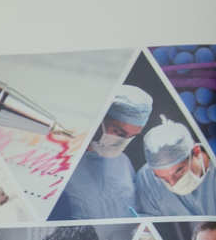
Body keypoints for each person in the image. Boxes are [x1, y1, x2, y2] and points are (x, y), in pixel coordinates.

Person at [50, 85, 150, 221]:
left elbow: (133, 209)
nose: (123, 142)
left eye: (132, 136)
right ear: (100, 119)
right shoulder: (59, 160)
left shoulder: (122, 162)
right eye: (119, 133)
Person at [135, 120, 216, 218]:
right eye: (162, 178)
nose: (172, 184)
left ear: (196, 152)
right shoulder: (147, 179)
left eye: (178, 171)